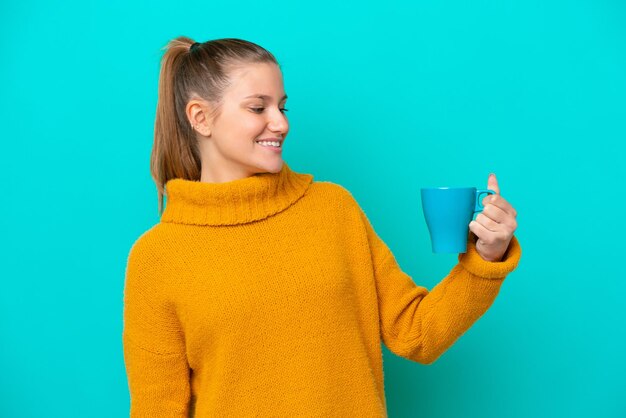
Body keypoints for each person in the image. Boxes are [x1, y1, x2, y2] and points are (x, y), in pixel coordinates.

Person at [122, 36, 522, 417]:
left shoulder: (333, 209)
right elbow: (158, 410)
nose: (280, 124)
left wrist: (485, 259)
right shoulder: (157, 258)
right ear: (200, 118)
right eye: (258, 108)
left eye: (283, 107)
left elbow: (416, 333)